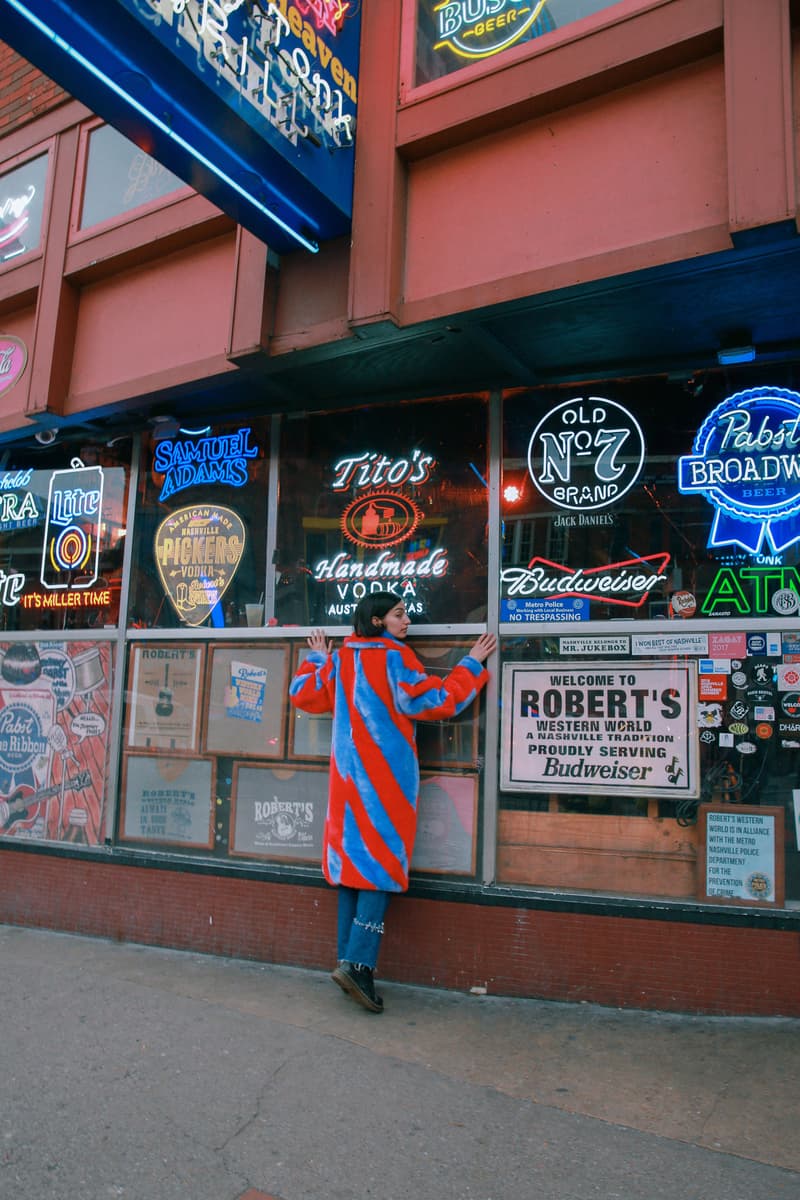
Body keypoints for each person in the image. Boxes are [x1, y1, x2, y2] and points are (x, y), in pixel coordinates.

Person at [288, 591, 496, 1013]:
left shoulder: (343, 660)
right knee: (380, 870)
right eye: (399, 615)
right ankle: (359, 967)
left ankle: (348, 960)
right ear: (379, 621)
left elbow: (304, 695)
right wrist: (471, 663)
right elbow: (438, 701)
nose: (408, 622)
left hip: (346, 786)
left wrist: (316, 659)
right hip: (383, 786)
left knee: (351, 873)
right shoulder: (396, 658)